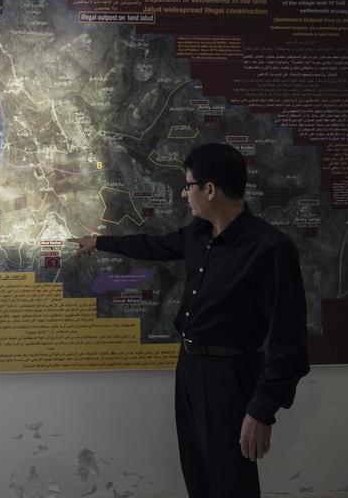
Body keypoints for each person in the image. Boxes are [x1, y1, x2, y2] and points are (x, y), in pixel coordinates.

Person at [70, 142, 309, 498]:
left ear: (210, 189)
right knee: (197, 470)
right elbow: (151, 246)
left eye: (188, 186)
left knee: (231, 480)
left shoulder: (269, 249)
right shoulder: (198, 234)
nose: (184, 194)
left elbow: (288, 342)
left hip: (232, 375)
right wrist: (100, 242)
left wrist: (262, 411)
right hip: (190, 367)